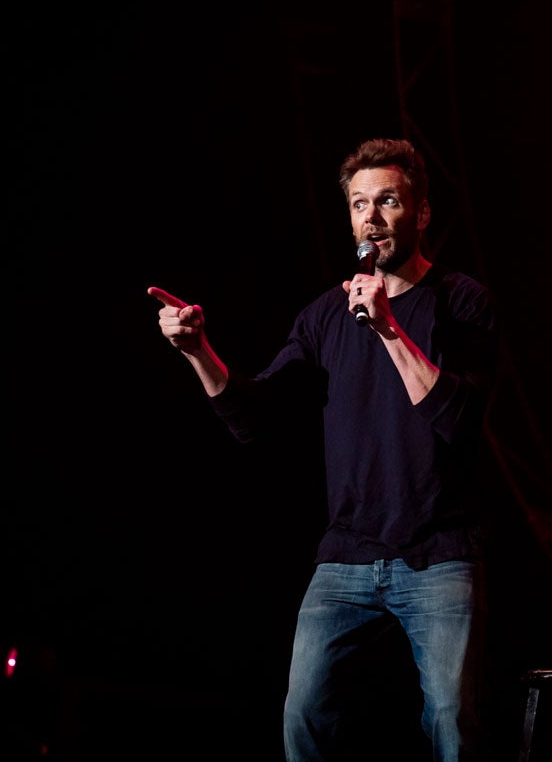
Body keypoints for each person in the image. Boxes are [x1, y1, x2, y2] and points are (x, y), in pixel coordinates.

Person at [148, 138, 497, 761]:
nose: (371, 217)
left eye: (387, 201)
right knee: (304, 714)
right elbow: (255, 418)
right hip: (347, 556)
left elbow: (460, 419)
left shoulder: (464, 302)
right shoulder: (325, 316)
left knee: (452, 722)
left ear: (419, 214)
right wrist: (199, 351)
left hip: (440, 556)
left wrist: (389, 328)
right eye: (359, 204)